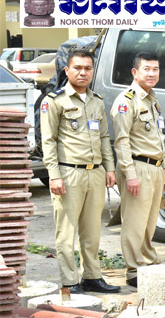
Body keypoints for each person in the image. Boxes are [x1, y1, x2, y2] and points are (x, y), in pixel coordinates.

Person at [40, 50, 120, 294]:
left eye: (88, 68)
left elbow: (104, 137)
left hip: (94, 173)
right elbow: (48, 141)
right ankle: (70, 281)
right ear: (67, 70)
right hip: (68, 173)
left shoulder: (96, 101)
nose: (83, 72)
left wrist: (109, 168)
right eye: (78, 68)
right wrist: (54, 175)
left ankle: (92, 276)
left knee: (92, 230)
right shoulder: (54, 101)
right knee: (66, 231)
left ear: (92, 71)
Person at [111, 52, 165, 287]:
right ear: (135, 72)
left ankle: (147, 261)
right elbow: (122, 141)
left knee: (149, 221)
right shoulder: (126, 101)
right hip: (137, 167)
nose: (152, 73)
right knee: (134, 222)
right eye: (147, 69)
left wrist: (164, 166)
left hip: (154, 167)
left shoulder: (152, 99)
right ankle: (134, 270)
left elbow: (157, 137)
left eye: (155, 69)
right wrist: (130, 175)